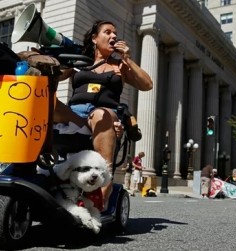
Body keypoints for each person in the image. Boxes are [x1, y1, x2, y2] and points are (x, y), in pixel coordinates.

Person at [52, 20, 153, 209]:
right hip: (75, 113)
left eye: (115, 33)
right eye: (107, 32)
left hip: (104, 115)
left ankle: (100, 198)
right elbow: (55, 75)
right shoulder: (80, 62)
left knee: (100, 115)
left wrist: (128, 59)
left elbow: (147, 84)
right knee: (48, 104)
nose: (114, 36)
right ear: (94, 38)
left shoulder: (120, 65)